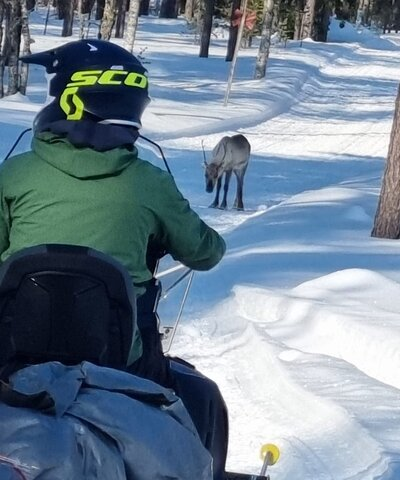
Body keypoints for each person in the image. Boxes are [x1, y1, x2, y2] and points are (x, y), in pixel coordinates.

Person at [0, 39, 229, 478]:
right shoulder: (149, 183)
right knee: (198, 397)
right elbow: (206, 252)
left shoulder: (14, 175)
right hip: (122, 359)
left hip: (11, 358)